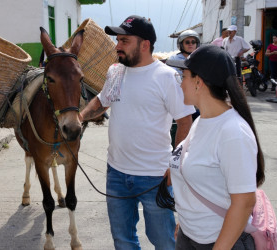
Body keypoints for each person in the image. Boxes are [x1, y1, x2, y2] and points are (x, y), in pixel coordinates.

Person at [80, 15, 195, 250]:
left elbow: (185, 122)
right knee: (123, 240)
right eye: (117, 40)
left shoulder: (167, 77)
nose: (117, 46)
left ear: (144, 45)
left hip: (155, 177)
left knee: (164, 241)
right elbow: (103, 101)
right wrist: (79, 117)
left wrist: (174, 166)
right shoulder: (115, 71)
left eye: (124, 40)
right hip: (116, 174)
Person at [165, 45, 264, 249]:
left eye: (182, 77)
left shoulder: (233, 132)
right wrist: (185, 224)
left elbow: (244, 203)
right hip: (190, 236)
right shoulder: (202, 121)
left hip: (218, 242)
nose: (180, 84)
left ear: (198, 82)